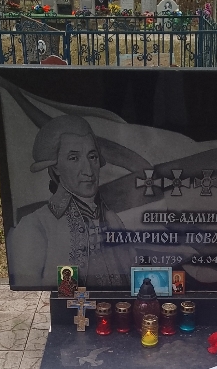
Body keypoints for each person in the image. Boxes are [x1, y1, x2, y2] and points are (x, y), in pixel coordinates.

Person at [7, 114, 132, 288]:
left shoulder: (113, 220)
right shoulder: (34, 226)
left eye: (92, 157)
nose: (88, 171)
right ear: (56, 167)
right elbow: (27, 294)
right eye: (74, 158)